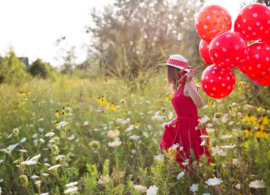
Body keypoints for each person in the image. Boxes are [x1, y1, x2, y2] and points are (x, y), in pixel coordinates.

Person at [158, 54, 222, 194]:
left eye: (169, 69)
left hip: (192, 129)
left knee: (202, 165)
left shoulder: (188, 84)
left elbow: (199, 104)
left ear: (174, 70)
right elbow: (184, 112)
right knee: (191, 166)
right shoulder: (180, 86)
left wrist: (189, 81)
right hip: (182, 128)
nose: (167, 73)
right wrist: (172, 122)